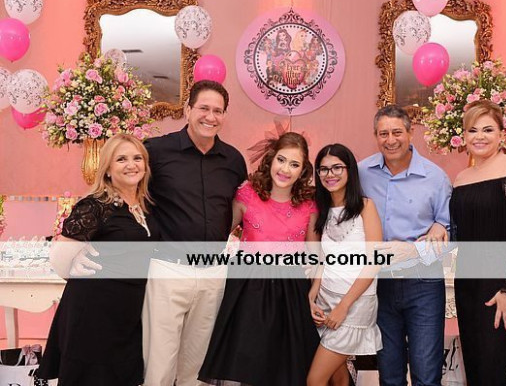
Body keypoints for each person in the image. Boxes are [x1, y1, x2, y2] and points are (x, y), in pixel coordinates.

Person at [142, 80, 247, 386]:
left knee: (197, 368)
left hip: (214, 272)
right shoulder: (155, 151)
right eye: (203, 108)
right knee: (159, 364)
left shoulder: (233, 160)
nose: (210, 117)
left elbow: (241, 210)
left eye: (218, 111)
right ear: (188, 110)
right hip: (168, 269)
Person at [37, 134, 160, 386]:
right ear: (107, 169)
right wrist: (85, 275)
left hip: (128, 312)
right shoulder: (95, 207)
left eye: (137, 158)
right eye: (121, 159)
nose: (131, 165)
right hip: (94, 313)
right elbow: (59, 260)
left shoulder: (145, 206)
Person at [198, 132, 320, 386]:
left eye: (294, 164)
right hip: (247, 289)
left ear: (302, 170)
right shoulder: (247, 195)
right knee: (247, 362)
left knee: (285, 366)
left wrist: (313, 293)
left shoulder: (308, 205)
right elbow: (218, 233)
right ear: (271, 159)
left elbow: (316, 255)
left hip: (290, 290)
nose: (285, 169)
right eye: (281, 160)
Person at [358, 105, 452, 386]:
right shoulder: (362, 172)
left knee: (426, 374)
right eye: (383, 133)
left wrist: (440, 227)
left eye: (397, 132)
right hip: (379, 283)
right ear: (375, 136)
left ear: (411, 134)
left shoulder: (435, 177)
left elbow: (450, 230)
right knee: (389, 374)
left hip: (423, 283)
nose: (390, 140)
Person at [450, 100, 506, 386]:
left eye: (488, 129)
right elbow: (460, 232)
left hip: (503, 283)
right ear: (464, 135)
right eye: (472, 130)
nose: (480, 136)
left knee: (493, 371)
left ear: (502, 134)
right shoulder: (461, 178)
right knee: (476, 370)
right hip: (468, 282)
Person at [307, 144, 383, 386]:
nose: (330, 174)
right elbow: (322, 259)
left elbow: (373, 263)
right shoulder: (321, 211)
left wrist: (344, 306)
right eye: (323, 169)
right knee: (337, 377)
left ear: (350, 170)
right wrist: (312, 295)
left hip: (354, 304)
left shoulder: (365, 207)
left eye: (337, 167)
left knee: (315, 380)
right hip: (325, 299)